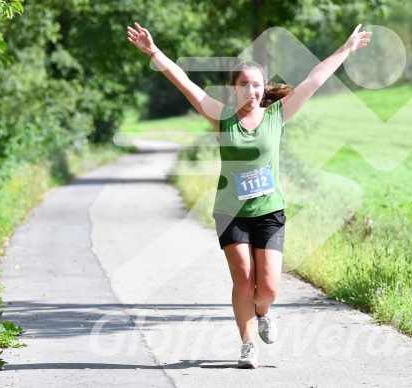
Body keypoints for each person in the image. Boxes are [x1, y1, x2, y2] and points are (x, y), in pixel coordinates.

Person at [127, 21, 371, 369]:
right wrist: (153, 51)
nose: (251, 91)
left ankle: (263, 311)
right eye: (244, 85)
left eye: (256, 85)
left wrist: (345, 50)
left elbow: (314, 79)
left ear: (263, 89)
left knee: (268, 288)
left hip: (270, 210)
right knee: (243, 280)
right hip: (231, 212)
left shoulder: (277, 116)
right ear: (234, 90)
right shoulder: (222, 118)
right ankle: (246, 345)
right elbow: (185, 82)